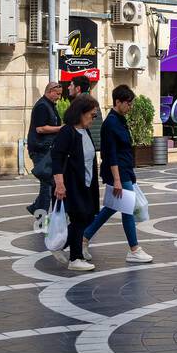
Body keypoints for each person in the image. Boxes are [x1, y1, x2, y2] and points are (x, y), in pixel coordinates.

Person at [84, 85, 152, 265]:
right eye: (128, 103)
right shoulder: (111, 123)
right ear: (118, 102)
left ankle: (84, 237)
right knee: (127, 209)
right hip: (118, 173)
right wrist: (117, 180)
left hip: (124, 171)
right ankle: (134, 249)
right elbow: (111, 153)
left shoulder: (120, 119)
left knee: (112, 208)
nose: (130, 107)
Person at [50, 94, 100, 272]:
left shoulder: (85, 131)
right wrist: (60, 184)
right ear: (81, 112)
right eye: (92, 115)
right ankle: (75, 258)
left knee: (88, 217)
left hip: (87, 184)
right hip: (72, 183)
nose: (93, 119)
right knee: (79, 218)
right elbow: (57, 158)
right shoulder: (67, 132)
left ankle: (60, 245)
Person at [26, 81, 63, 218]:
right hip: (40, 149)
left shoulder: (50, 105)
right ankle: (40, 215)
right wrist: (61, 129)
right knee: (47, 184)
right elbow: (40, 128)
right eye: (57, 94)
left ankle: (37, 208)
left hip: (46, 149)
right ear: (50, 91)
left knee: (48, 183)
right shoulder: (42, 106)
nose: (59, 97)